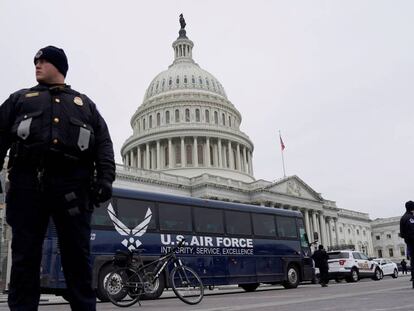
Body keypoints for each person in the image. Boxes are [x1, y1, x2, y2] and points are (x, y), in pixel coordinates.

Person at [0, 46, 115, 311]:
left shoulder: (84, 104)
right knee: (24, 260)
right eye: (35, 61)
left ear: (59, 67)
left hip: (73, 188)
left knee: (77, 259)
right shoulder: (20, 99)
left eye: (43, 61)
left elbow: (104, 145)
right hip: (28, 185)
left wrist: (105, 178)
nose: (37, 65)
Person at [400, 201, 414, 283]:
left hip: (408, 243)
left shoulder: (403, 218)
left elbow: (402, 234)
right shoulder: (411, 218)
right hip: (413, 242)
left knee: (413, 261)